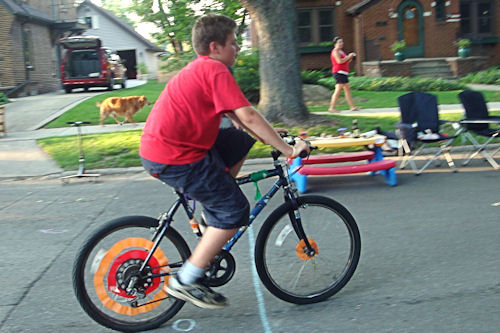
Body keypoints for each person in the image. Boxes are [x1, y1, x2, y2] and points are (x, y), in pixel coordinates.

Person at [139, 14, 309, 309]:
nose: (237, 49)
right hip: (175, 156)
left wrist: (274, 136)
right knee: (235, 209)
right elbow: (249, 116)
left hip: (168, 148)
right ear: (215, 47)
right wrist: (288, 151)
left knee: (240, 139)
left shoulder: (203, 69)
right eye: (233, 43)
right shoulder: (215, 70)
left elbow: (241, 119)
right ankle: (186, 280)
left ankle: (212, 215)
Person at [328, 36, 360, 113]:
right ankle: (332, 108)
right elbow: (339, 61)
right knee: (338, 90)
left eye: (342, 42)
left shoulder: (341, 51)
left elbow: (345, 61)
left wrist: (350, 58)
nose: (341, 43)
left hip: (343, 72)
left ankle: (352, 107)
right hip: (339, 72)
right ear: (335, 43)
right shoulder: (335, 51)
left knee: (347, 90)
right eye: (339, 42)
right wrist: (348, 56)